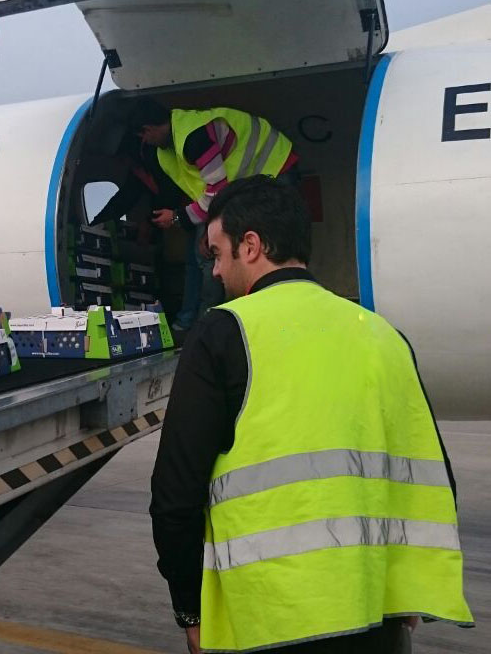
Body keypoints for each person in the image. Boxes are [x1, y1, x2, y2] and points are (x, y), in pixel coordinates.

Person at [150, 177, 472, 653]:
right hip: (378, 616)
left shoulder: (224, 331)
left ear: (252, 246)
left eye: (217, 254)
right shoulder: (383, 334)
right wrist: (410, 592)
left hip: (268, 619)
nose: (215, 271)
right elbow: (431, 479)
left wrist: (190, 609)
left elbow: (176, 496)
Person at [129, 99, 299, 331]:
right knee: (209, 255)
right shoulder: (169, 149)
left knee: (275, 247)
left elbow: (216, 189)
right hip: (235, 188)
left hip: (274, 165)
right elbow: (204, 190)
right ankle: (212, 321)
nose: (145, 142)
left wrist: (180, 218)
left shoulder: (193, 138)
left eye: (143, 137)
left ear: (147, 129)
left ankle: (273, 317)